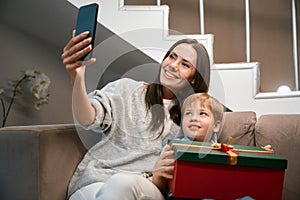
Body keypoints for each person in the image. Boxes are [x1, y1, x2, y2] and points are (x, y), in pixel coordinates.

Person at [61, 30, 211, 200]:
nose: (173, 65)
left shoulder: (193, 117)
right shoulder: (126, 89)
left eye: (185, 64)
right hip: (97, 183)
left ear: (194, 78)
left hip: (147, 188)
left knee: (122, 184)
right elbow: (87, 118)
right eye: (172, 57)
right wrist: (77, 78)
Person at [152, 93, 224, 197]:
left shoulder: (220, 152)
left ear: (216, 126)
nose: (194, 118)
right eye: (188, 113)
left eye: (202, 113)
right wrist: (158, 177)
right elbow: (161, 185)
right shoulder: (172, 149)